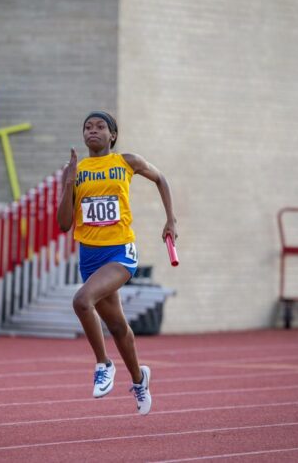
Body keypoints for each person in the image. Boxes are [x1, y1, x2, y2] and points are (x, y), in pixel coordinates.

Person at [57, 111, 178, 415]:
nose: (92, 131)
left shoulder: (127, 161)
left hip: (120, 252)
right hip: (90, 255)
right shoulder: (75, 170)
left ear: (112, 135)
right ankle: (139, 380)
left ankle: (103, 364)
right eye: (87, 127)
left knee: (82, 300)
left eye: (100, 127)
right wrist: (70, 180)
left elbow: (161, 178)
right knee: (118, 327)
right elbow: (63, 224)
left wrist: (170, 220)